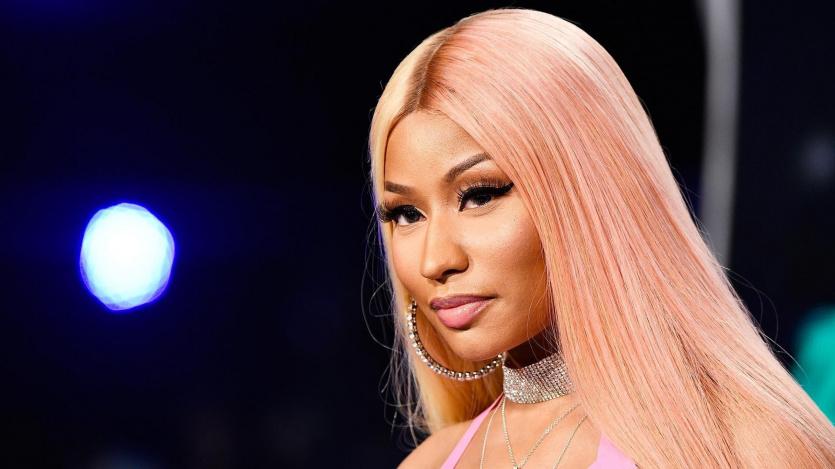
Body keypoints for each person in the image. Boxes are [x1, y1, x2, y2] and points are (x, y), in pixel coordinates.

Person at [366, 7, 835, 468]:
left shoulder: (748, 445)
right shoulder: (429, 462)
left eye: (480, 195)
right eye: (406, 214)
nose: (434, 260)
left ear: (586, 191)